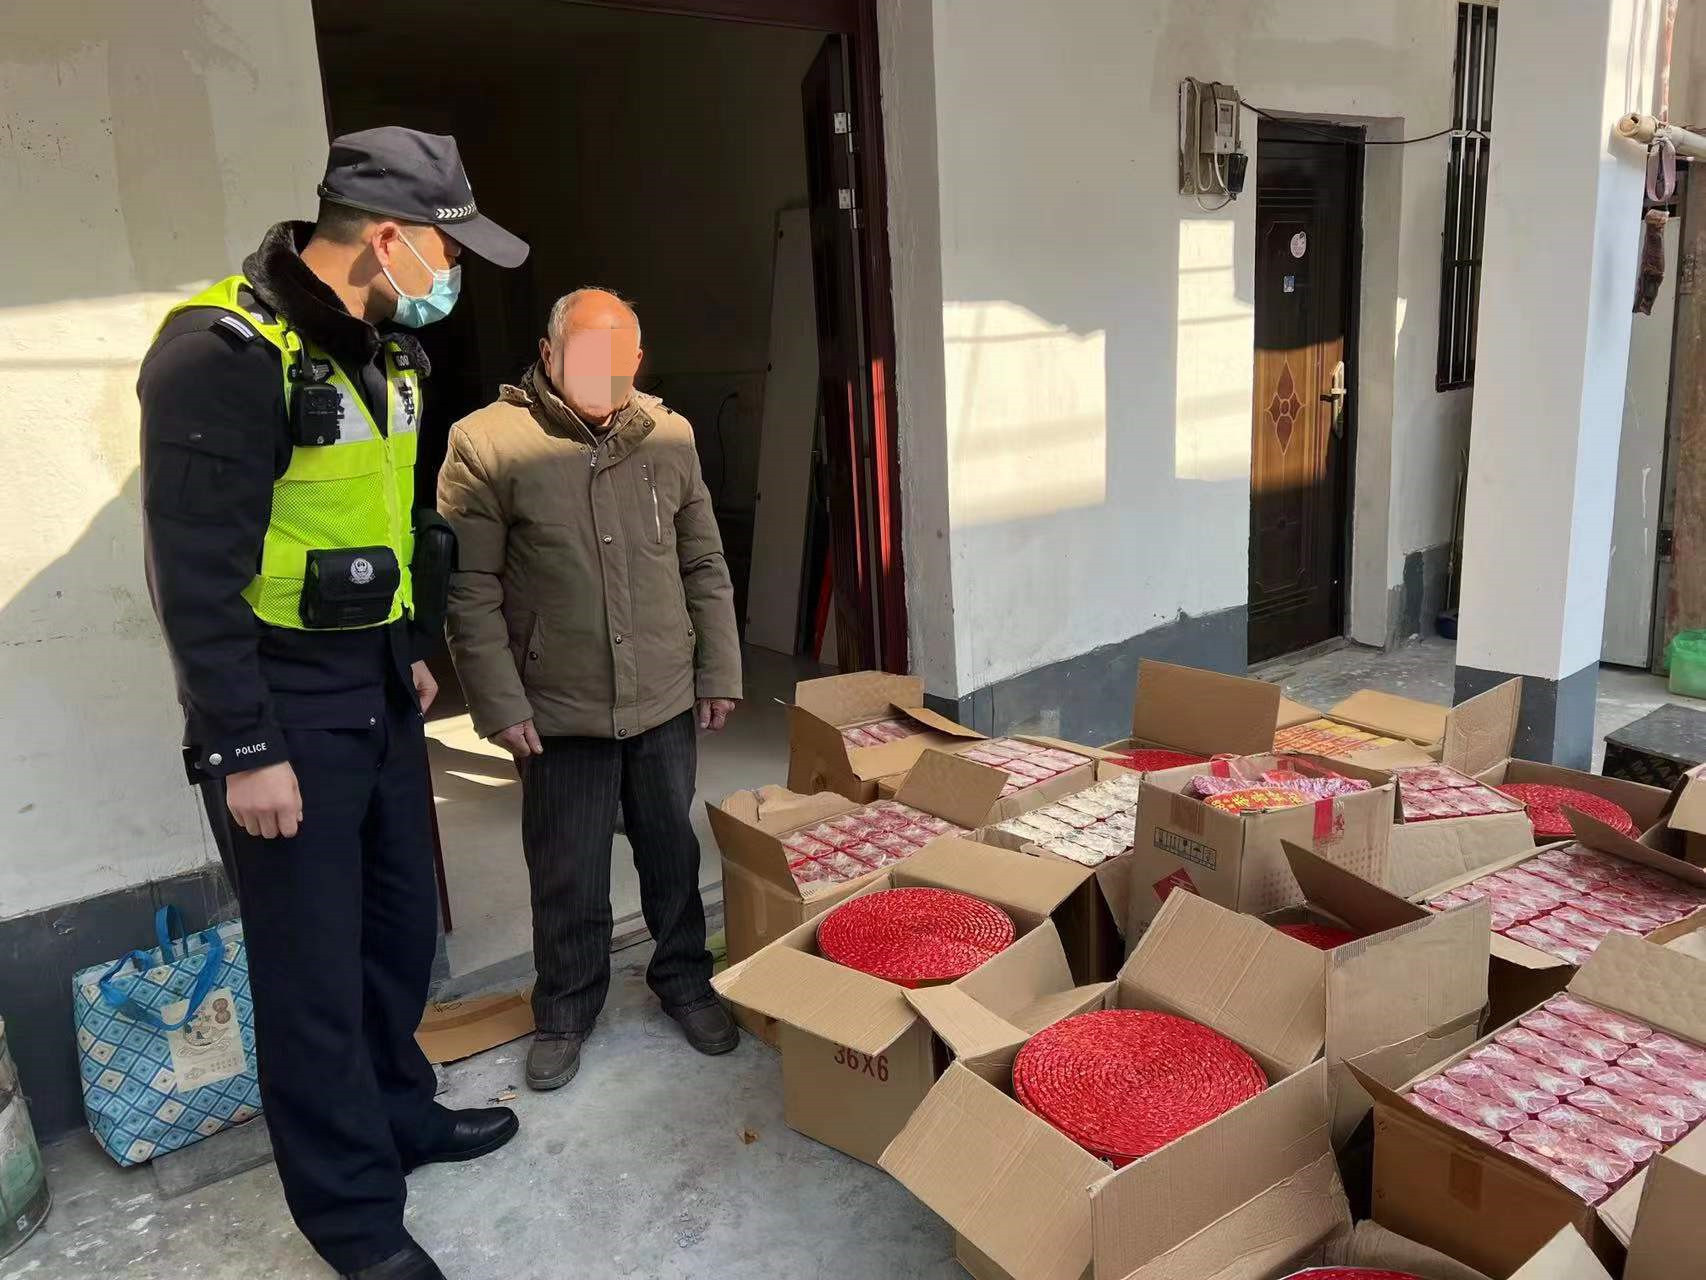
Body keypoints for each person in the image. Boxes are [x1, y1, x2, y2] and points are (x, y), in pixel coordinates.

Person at [138, 127, 530, 1280]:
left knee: (397, 935)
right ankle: (354, 1216)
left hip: (375, 686)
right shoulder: (219, 351)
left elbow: (390, 522)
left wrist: (408, 647)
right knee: (309, 974)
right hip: (280, 704)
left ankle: (400, 1114)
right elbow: (191, 572)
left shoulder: (389, 354)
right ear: (390, 238)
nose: (453, 276)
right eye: (448, 252)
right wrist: (242, 742)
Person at [438, 288, 743, 1092]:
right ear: (548, 354)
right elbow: (470, 589)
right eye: (584, 356)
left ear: (637, 360)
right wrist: (499, 702)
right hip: (558, 707)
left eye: (618, 358)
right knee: (566, 868)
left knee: (671, 850)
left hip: (663, 693)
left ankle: (684, 980)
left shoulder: (670, 435)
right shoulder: (486, 443)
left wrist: (719, 669)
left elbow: (703, 561)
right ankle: (567, 1007)